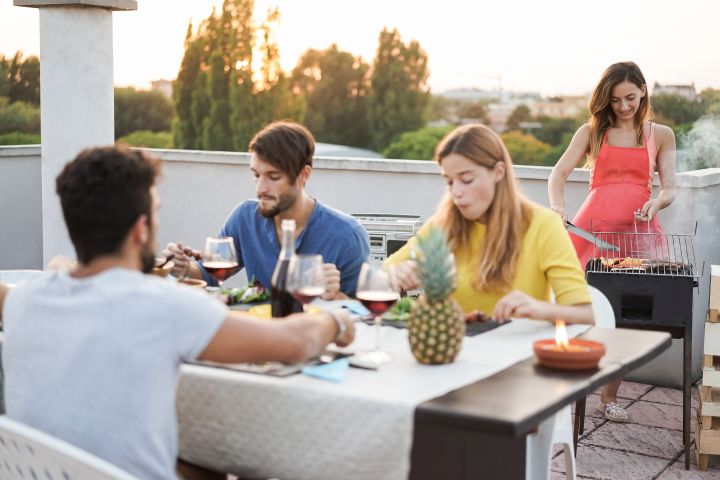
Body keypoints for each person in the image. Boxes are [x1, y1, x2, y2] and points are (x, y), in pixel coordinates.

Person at [2, 145, 354, 480]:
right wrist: (335, 319)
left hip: (47, 471)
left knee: (200, 461)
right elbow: (294, 343)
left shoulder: (22, 301)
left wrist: (64, 270)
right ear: (141, 230)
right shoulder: (164, 306)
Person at [548, 61, 677, 422]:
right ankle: (563, 388)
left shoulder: (660, 135)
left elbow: (670, 187)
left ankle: (608, 398)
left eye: (631, 98)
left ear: (643, 93)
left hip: (638, 234)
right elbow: (558, 174)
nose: (623, 106)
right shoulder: (591, 132)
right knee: (581, 310)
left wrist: (657, 202)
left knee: (631, 318)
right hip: (592, 230)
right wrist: (558, 207)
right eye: (616, 100)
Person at [386, 123, 594, 326]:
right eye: (449, 181)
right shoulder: (443, 224)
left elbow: (586, 314)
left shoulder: (543, 225)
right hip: (454, 352)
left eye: (466, 180)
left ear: (498, 171)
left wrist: (539, 308)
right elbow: (382, 274)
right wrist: (396, 274)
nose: (456, 192)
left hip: (515, 355)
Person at [165, 121, 370, 299]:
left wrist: (336, 296)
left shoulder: (346, 235)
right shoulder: (245, 217)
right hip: (258, 336)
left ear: (303, 175)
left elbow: (365, 313)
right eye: (256, 175)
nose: (260, 189)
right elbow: (208, 275)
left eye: (273, 177)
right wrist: (184, 268)